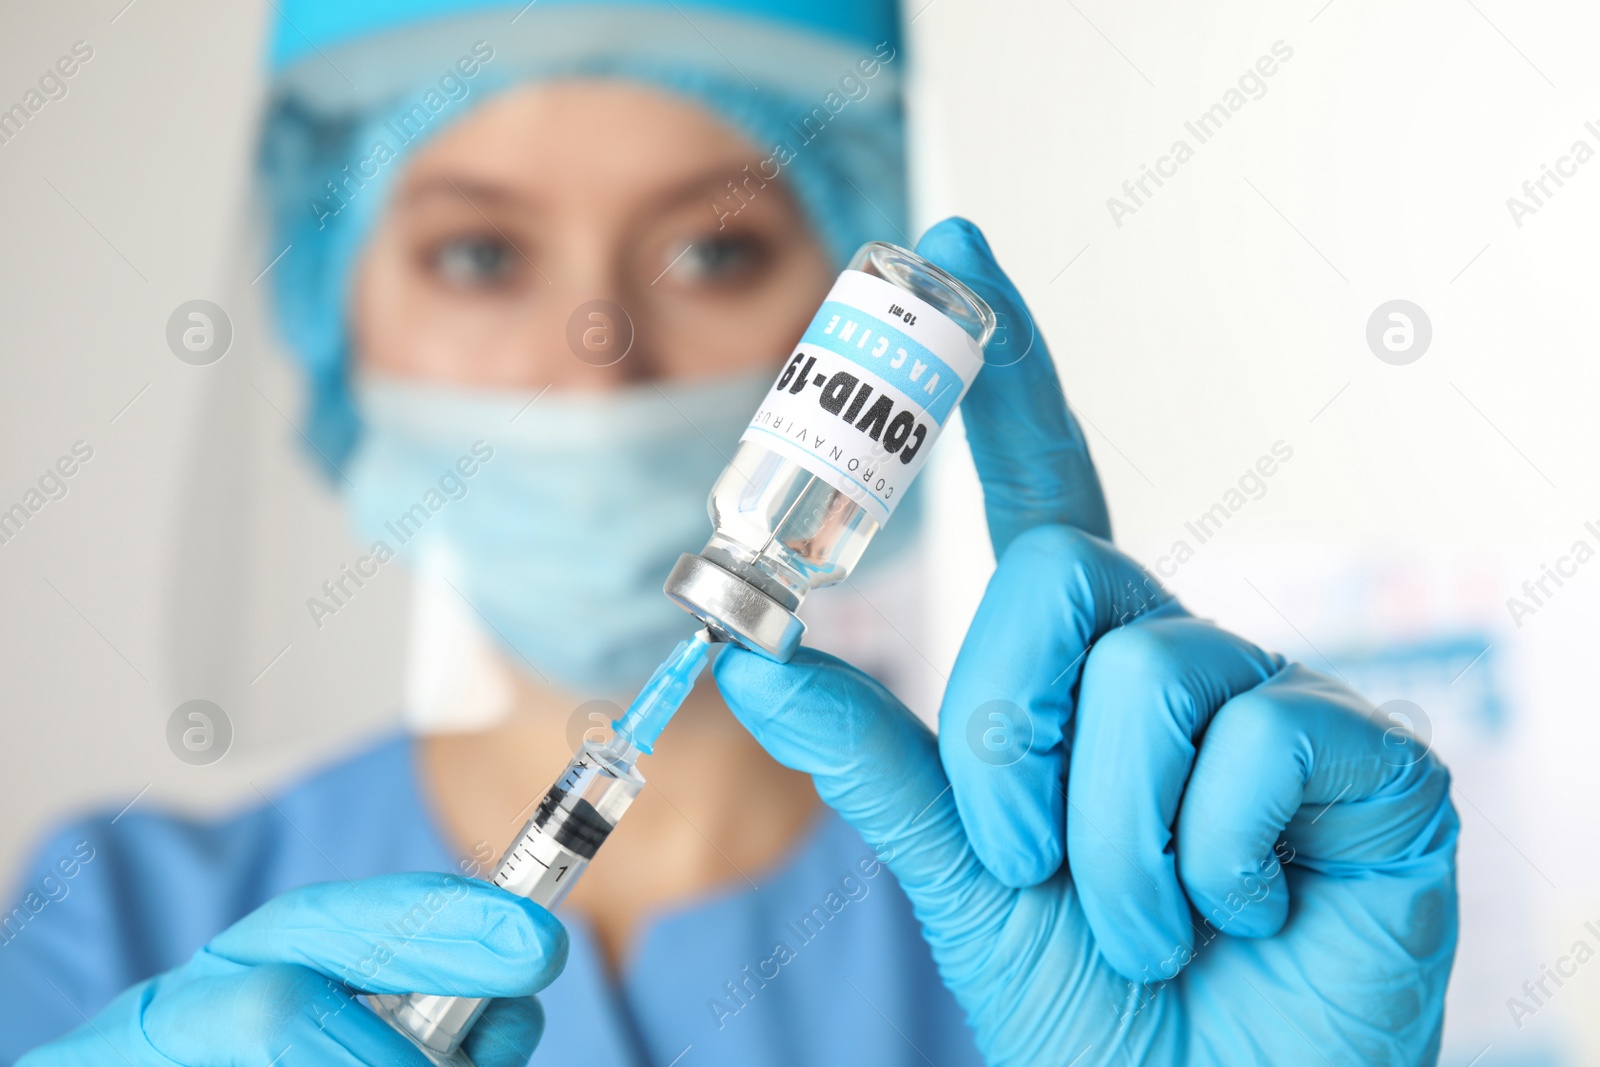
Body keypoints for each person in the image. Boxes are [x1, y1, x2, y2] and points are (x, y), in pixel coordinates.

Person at [1, 2, 1460, 1065]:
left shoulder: (1080, 919)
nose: (595, 353)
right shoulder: (124, 920)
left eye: (714, 247)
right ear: (335, 314)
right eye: (479, 252)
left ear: (840, 322)